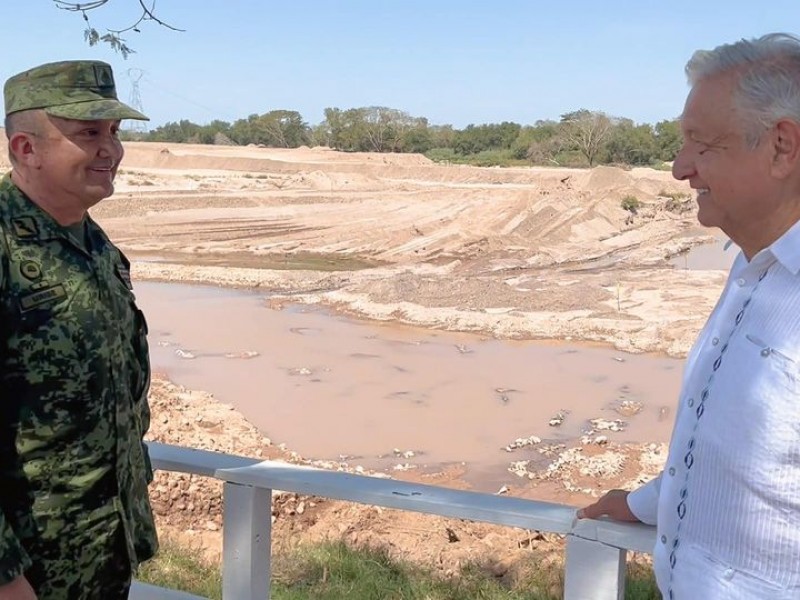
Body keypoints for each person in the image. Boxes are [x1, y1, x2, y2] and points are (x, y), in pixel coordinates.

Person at [578, 33, 800, 599]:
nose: (679, 169)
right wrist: (639, 503)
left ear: (782, 147)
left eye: (702, 145)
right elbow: (739, 457)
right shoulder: (755, 267)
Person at [0, 61, 157, 599]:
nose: (110, 149)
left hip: (103, 554)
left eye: (114, 132)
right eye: (89, 133)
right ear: (26, 148)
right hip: (26, 570)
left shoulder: (98, 248)